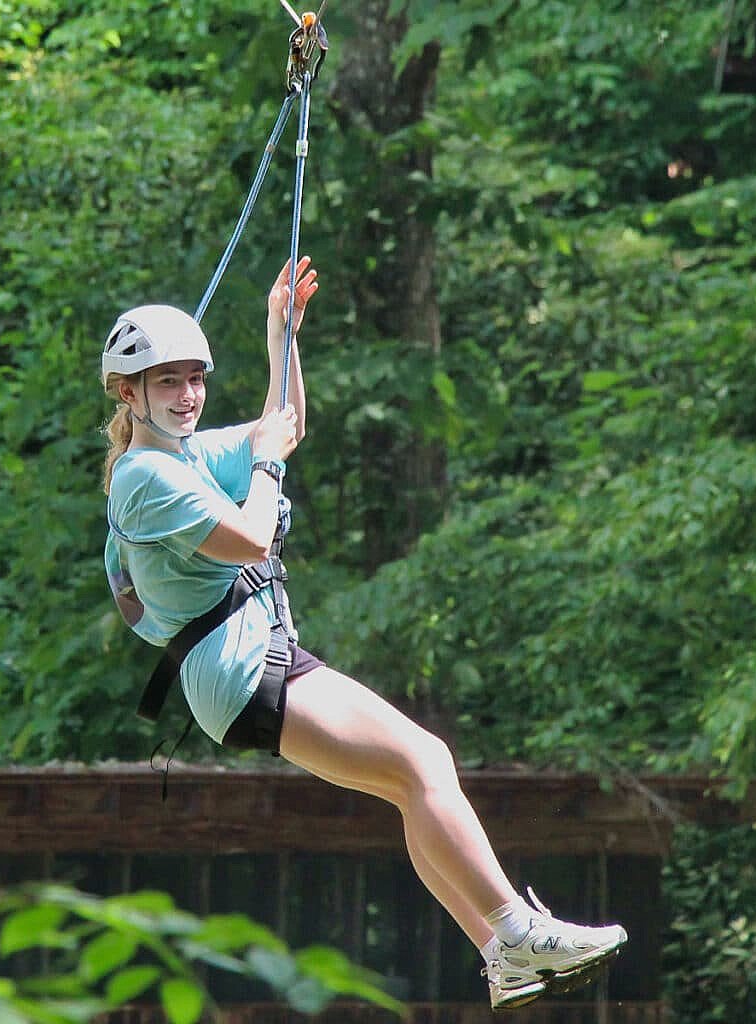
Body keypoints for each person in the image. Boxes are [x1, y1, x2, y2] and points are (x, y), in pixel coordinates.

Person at [100, 256, 627, 1010]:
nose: (190, 396)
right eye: (169, 382)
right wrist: (269, 468)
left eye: (197, 379)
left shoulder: (181, 453)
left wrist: (282, 332)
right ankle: (516, 931)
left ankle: (500, 953)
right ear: (130, 392)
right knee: (424, 761)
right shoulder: (144, 479)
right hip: (242, 667)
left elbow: (286, 428)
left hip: (242, 666)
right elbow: (252, 536)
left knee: (412, 785)